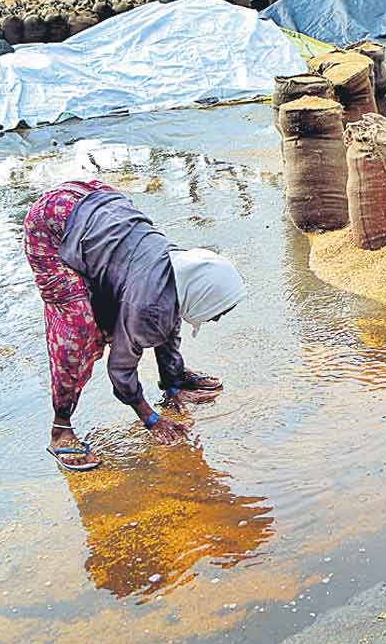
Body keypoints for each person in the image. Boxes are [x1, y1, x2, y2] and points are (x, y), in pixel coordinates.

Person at [24, 180, 246, 471]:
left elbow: (170, 318)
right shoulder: (145, 306)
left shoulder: (182, 271)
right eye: (218, 311)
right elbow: (121, 368)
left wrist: (173, 382)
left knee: (156, 306)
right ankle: (60, 427)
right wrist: (150, 418)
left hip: (95, 203)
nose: (216, 318)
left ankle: (173, 380)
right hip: (50, 223)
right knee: (78, 328)